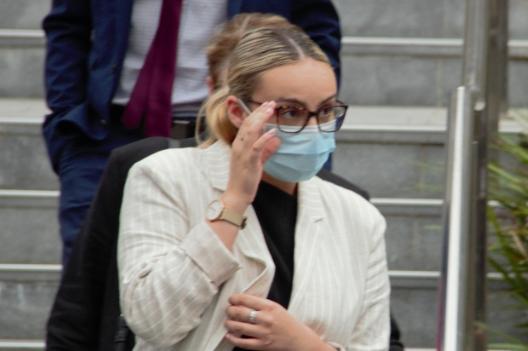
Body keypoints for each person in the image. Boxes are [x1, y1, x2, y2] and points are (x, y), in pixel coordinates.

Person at [117, 26, 390, 349]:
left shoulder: (357, 215)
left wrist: (302, 344)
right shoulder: (164, 177)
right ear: (238, 111)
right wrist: (233, 202)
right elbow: (152, 321)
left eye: (327, 110)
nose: (314, 128)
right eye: (290, 112)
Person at [42, 0, 341, 265]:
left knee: (241, 266)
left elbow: (316, 29)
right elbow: (69, 25)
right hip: (108, 131)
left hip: (230, 132)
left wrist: (306, 121)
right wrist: (67, 120)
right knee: (92, 275)